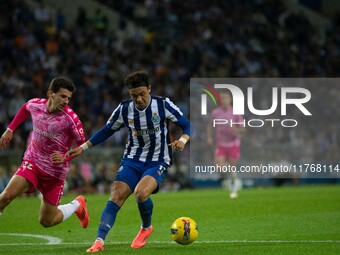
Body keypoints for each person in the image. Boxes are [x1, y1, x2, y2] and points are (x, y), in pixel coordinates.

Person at [67, 71, 191, 252]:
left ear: (149, 89)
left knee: (140, 193)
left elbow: (187, 125)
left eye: (142, 94)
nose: (139, 99)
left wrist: (183, 140)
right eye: (134, 95)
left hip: (157, 160)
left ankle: (146, 228)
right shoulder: (124, 109)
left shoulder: (163, 105)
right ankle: (99, 241)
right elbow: (107, 130)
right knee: (116, 195)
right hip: (132, 159)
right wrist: (83, 147)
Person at [0, 77, 90, 229]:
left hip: (55, 173)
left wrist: (66, 156)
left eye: (68, 98)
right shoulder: (36, 105)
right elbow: (25, 108)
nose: (66, 101)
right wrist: (10, 129)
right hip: (33, 162)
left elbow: (82, 144)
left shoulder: (70, 119)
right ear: (51, 94)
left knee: (47, 221)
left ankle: (76, 204)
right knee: (5, 197)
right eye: (62, 96)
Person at [207, 90, 245, 199]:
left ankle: (234, 188)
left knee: (232, 166)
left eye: (226, 98)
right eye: (222, 98)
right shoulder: (216, 112)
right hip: (221, 143)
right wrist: (209, 137)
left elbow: (243, 129)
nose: (224, 100)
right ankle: (230, 180)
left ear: (230, 100)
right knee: (219, 166)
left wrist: (235, 128)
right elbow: (210, 125)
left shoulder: (236, 112)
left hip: (233, 143)